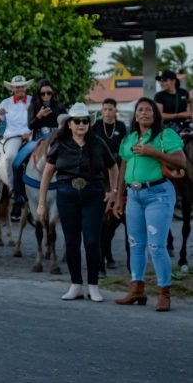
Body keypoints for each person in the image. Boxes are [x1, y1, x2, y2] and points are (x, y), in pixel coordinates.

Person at [38, 103, 118, 302]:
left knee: (92, 241)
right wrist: (41, 203)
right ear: (70, 124)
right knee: (71, 241)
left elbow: (113, 167)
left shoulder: (98, 143)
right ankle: (75, 285)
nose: (81, 124)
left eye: (85, 121)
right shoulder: (60, 143)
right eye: (77, 121)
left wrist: (113, 191)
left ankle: (93, 285)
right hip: (67, 194)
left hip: (93, 194)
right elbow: (47, 174)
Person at [113, 98, 185, 312]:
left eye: (148, 110)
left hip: (158, 194)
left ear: (155, 115)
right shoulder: (129, 138)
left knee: (156, 245)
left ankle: (164, 293)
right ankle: (137, 289)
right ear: (135, 115)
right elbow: (123, 166)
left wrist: (153, 152)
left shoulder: (165, 135)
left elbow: (181, 162)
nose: (143, 113)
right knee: (135, 244)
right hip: (133, 195)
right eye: (140, 109)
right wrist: (118, 197)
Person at [91, 98, 128, 275]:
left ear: (115, 110)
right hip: (100, 168)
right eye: (104, 109)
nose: (107, 112)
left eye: (110, 109)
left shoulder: (121, 127)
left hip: (118, 166)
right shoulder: (95, 126)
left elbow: (125, 147)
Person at [0, 75, 33, 215]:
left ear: (26, 87)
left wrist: (32, 132)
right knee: (10, 157)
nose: (20, 89)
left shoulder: (33, 101)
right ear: (13, 89)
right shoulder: (6, 103)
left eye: (22, 86)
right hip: (13, 136)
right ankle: (12, 190)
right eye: (17, 87)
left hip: (31, 135)